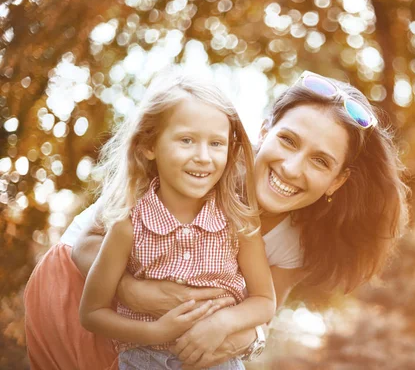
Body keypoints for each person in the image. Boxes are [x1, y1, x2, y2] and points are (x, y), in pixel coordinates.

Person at [24, 70, 409, 370]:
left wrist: (226, 331)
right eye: (288, 140)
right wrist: (132, 290)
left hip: (165, 344)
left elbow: (261, 311)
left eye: (320, 161)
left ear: (337, 181)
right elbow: (88, 243)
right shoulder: (200, 170)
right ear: (263, 131)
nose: (292, 168)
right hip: (78, 290)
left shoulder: (297, 242)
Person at [79, 70, 275, 369]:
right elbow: (91, 313)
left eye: (216, 143)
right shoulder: (128, 224)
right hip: (141, 361)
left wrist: (224, 322)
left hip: (218, 361)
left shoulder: (238, 222)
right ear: (149, 145)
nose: (203, 156)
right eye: (186, 140)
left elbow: (264, 301)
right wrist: (153, 332)